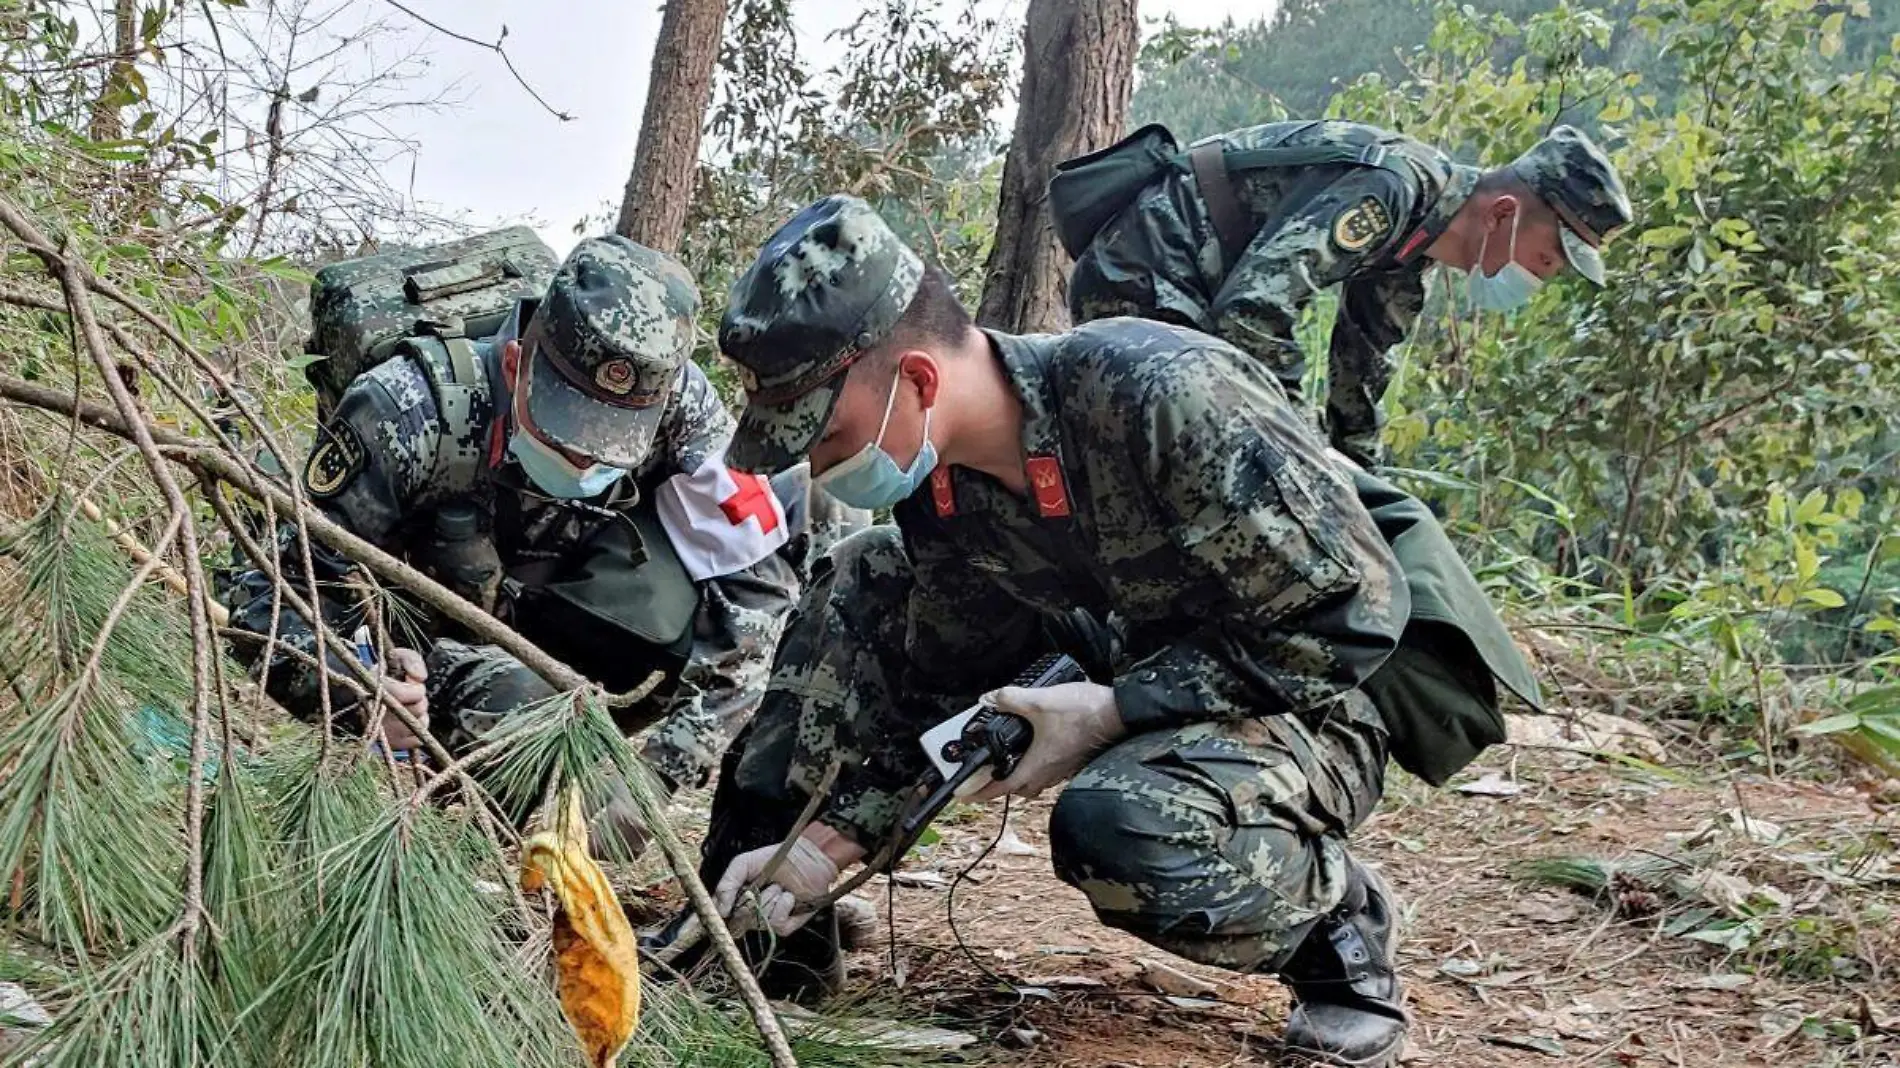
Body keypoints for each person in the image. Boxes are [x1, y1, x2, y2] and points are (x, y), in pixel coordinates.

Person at [641, 194, 1535, 1066]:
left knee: (1119, 825)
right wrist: (821, 850)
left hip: (1319, 694)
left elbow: (1349, 618)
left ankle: (1337, 925)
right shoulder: (944, 498)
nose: (822, 466)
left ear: (917, 379)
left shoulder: (1161, 394)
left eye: (826, 435)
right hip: (1132, 662)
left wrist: (1111, 712)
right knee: (863, 572)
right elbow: (939, 693)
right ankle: (758, 920)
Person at [224, 235, 821, 854]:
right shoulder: (405, 410)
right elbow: (265, 598)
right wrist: (361, 691)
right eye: (565, 433)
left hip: (582, 622)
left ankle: (757, 876)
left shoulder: (680, 405)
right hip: (444, 649)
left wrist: (659, 773)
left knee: (812, 537)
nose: (584, 456)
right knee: (528, 720)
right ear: (515, 366)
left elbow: (757, 592)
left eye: (610, 445)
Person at [1058, 121, 1632, 467]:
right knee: (1191, 463)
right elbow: (1253, 312)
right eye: (1546, 257)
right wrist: (1306, 450)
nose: (1541, 276)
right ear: (1504, 213)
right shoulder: (1394, 189)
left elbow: (1358, 385)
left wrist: (1366, 494)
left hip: (1193, 297)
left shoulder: (1412, 253)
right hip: (1146, 270)